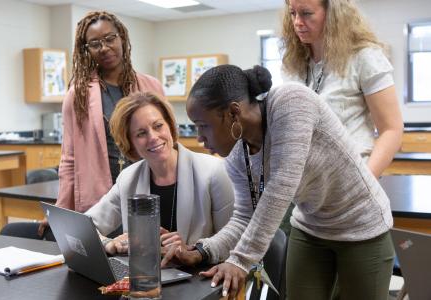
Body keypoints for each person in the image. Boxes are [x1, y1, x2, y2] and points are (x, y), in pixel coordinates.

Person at [164, 64, 394, 300]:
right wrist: (203, 250)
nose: (199, 137)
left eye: (203, 125)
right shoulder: (237, 156)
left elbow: (282, 185)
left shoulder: (290, 102)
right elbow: (246, 216)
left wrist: (240, 261)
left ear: (233, 112)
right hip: (312, 228)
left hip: (362, 225)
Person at [37, 11, 164, 237]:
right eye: (94, 43)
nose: (104, 48)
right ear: (87, 50)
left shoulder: (151, 86)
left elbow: (168, 144)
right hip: (102, 198)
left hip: (147, 189)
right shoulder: (78, 95)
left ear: (122, 38)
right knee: (109, 260)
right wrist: (61, 210)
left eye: (109, 39)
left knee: (149, 258)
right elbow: (69, 158)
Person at [84, 92, 234, 255]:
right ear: (130, 143)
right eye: (141, 133)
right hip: (143, 275)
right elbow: (84, 227)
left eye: (158, 126)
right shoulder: (128, 178)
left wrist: (194, 251)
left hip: (199, 276)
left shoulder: (214, 171)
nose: (153, 137)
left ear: (170, 126)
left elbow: (233, 240)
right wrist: (109, 244)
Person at [281, 0, 403, 177]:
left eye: (306, 13)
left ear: (332, 14)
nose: (297, 22)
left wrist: (365, 183)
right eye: (293, 13)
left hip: (352, 181)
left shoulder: (364, 56)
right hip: (309, 187)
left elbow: (392, 130)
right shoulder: (293, 62)